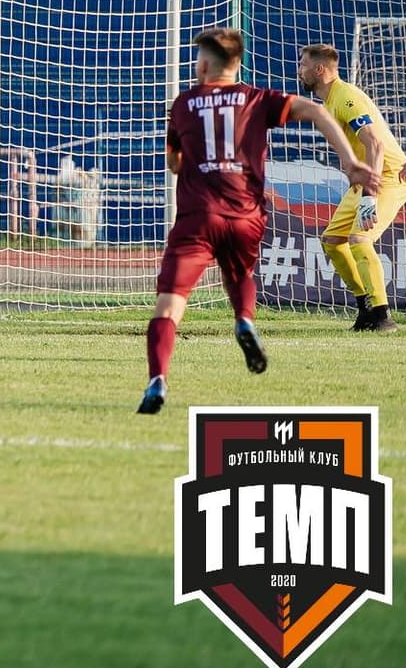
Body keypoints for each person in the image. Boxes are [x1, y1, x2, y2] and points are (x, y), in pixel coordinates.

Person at [137, 28, 378, 415]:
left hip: (197, 217)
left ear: (202, 64)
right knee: (240, 276)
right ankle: (245, 320)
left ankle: (158, 380)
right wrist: (349, 163)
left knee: (168, 307)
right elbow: (316, 111)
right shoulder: (257, 99)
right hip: (245, 215)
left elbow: (174, 165)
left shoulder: (183, 104)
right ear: (236, 64)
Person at [296, 43, 406, 331]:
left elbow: (374, 144)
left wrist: (370, 197)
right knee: (332, 240)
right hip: (367, 178)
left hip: (387, 176)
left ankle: (384, 316)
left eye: (302, 64)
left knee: (360, 240)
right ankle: (366, 310)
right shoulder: (330, 100)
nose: (299, 70)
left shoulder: (346, 98)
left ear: (319, 69)